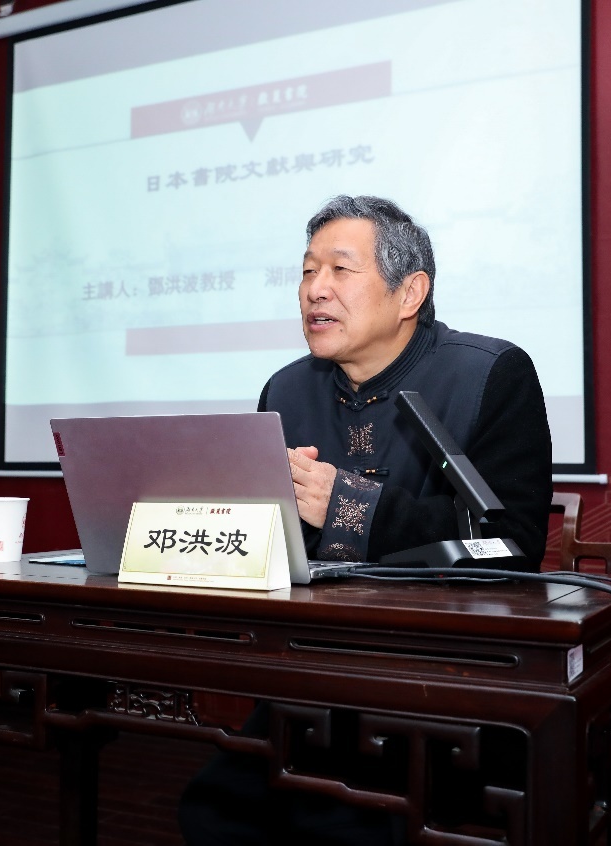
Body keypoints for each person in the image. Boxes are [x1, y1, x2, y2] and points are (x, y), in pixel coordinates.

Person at [178, 195, 553, 845]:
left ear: (410, 293)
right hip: (309, 676)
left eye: (339, 270)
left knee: (348, 827)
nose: (314, 290)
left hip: (442, 682)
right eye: (306, 271)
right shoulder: (286, 389)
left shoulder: (488, 373)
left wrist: (348, 504)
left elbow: (514, 545)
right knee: (212, 812)